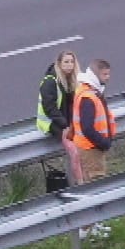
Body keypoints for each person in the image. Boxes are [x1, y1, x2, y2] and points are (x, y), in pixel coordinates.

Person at [70, 59, 116, 238]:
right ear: (96, 74)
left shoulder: (88, 91)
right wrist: (104, 142)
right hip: (91, 149)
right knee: (93, 187)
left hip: (90, 147)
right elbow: (88, 128)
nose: (108, 78)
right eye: (105, 74)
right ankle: (86, 229)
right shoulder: (88, 96)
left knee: (92, 187)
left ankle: (92, 225)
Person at [36, 49, 82, 191]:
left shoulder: (73, 80)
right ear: (59, 63)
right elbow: (50, 108)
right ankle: (81, 185)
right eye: (66, 62)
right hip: (51, 123)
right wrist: (65, 126)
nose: (69, 65)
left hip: (67, 121)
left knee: (85, 146)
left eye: (72, 62)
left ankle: (85, 179)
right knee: (74, 151)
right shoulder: (50, 81)